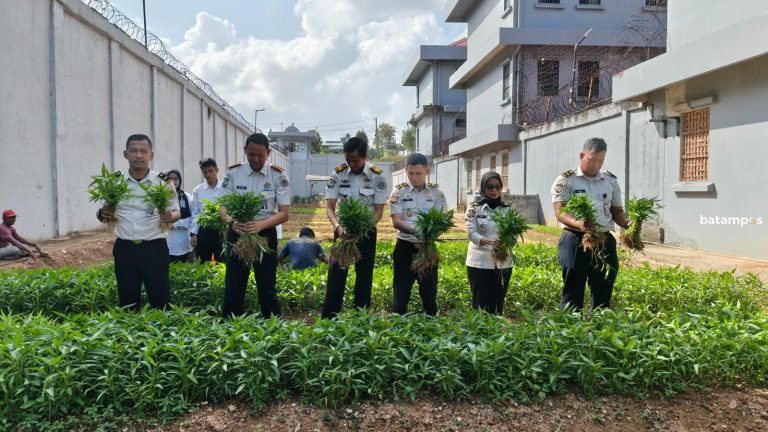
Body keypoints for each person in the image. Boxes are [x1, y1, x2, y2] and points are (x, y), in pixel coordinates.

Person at [97, 134, 180, 311]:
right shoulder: (114, 182)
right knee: (127, 301)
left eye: (144, 151)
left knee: (160, 299)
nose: (138, 155)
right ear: (125, 154)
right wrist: (103, 213)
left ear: (152, 155)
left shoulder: (163, 182)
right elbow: (103, 214)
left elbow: (177, 211)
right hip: (125, 249)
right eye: (133, 151)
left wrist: (170, 217)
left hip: (154, 248)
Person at [551, 137, 632, 311]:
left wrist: (628, 222)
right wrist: (579, 223)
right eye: (592, 160)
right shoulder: (566, 180)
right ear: (582, 155)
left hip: (604, 240)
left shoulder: (610, 181)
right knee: (573, 288)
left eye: (601, 161)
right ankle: (570, 329)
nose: (596, 165)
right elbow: (560, 212)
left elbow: (617, 211)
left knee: (604, 285)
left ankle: (599, 327)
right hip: (575, 239)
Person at [220, 133, 290, 319]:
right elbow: (223, 208)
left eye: (260, 155)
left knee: (267, 284)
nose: (255, 159)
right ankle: (229, 324)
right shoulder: (233, 173)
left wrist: (260, 225)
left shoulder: (278, 175)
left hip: (265, 234)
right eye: (251, 154)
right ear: (245, 151)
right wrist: (232, 223)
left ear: (268, 152)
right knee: (234, 283)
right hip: (237, 233)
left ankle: (273, 324)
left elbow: (284, 213)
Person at [321, 137, 388, 319]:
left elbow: (378, 212)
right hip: (343, 232)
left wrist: (362, 230)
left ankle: (361, 319)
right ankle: (329, 319)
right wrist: (338, 228)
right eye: (347, 160)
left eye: (355, 160)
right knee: (336, 275)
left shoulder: (377, 176)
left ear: (364, 156)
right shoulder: (338, 174)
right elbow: (330, 207)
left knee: (364, 277)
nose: (350, 164)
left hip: (366, 232)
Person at [388, 153, 446, 316]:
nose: (414, 177)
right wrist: (418, 231)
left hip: (427, 248)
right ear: (406, 170)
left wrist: (431, 235)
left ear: (427, 171)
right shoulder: (398, 192)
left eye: (418, 173)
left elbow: (442, 222)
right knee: (401, 290)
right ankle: (398, 326)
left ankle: (431, 323)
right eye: (411, 173)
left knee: (429, 290)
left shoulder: (436, 194)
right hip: (405, 247)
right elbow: (397, 222)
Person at [464, 172, 514, 315]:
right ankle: (480, 335)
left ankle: (495, 334)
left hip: (503, 263)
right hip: (479, 263)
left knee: (498, 303)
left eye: (498, 187)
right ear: (483, 188)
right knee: (480, 304)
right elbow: (471, 233)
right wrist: (487, 241)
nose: (494, 190)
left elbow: (514, 233)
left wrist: (507, 242)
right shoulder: (474, 208)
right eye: (490, 187)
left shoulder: (507, 209)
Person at [190, 158, 225, 262]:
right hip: (203, 231)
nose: (208, 174)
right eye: (205, 172)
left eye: (210, 171)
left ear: (217, 170)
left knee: (222, 262)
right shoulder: (198, 190)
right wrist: (194, 233)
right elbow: (196, 213)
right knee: (203, 262)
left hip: (221, 231)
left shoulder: (225, 188)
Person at [166, 169, 194, 263]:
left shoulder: (187, 197)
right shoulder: (161, 198)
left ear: (180, 180)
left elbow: (192, 219)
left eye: (176, 179)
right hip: (164, 243)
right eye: (170, 179)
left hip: (182, 244)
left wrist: (174, 225)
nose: (173, 182)